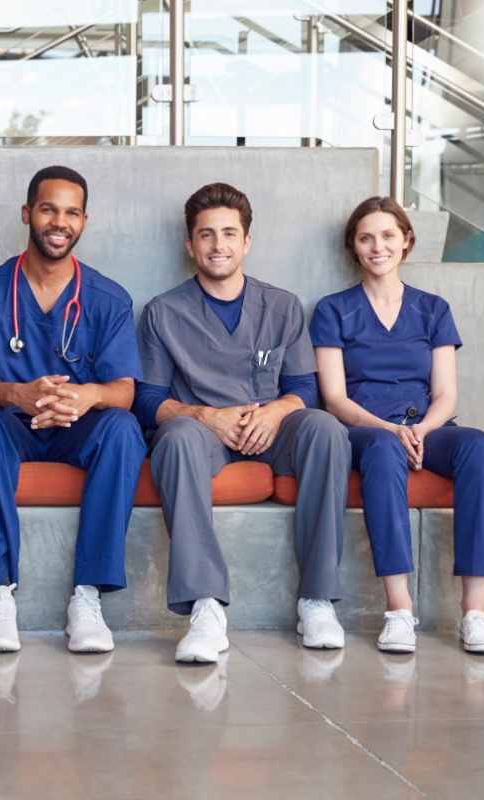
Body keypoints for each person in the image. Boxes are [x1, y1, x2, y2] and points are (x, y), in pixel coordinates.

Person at [135, 182, 351, 663]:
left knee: (325, 430)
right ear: (190, 244)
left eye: (229, 233)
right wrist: (204, 416)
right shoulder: (163, 313)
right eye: (206, 235)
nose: (218, 245)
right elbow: (147, 399)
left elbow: (306, 389)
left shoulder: (282, 306)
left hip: (272, 430)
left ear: (247, 241)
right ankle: (205, 606)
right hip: (203, 434)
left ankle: (317, 600)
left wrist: (275, 411)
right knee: (174, 439)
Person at [0, 165, 146, 654]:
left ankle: (87, 599)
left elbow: (124, 389)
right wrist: (19, 394)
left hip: (77, 428)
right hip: (11, 424)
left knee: (122, 428)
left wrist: (87, 397)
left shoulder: (108, 297)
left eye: (71, 213)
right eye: (48, 209)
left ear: (84, 221)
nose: (59, 222)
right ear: (27, 213)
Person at [311, 196, 484, 655]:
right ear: (354, 248)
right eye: (366, 238)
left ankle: (474, 612)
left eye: (388, 236)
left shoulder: (433, 309)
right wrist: (391, 430)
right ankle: (399, 610)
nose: (378, 246)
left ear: (406, 242)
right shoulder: (332, 310)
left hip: (427, 428)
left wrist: (421, 430)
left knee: (478, 446)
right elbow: (335, 399)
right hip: (367, 429)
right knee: (381, 448)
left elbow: (446, 395)